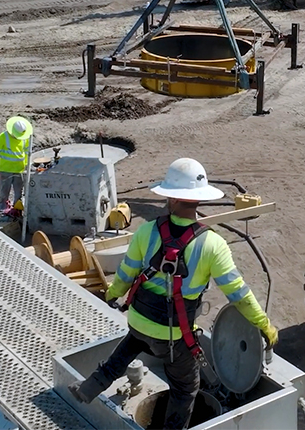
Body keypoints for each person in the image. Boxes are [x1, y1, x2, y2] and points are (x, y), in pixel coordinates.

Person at [68, 157, 279, 429]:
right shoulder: (213, 244)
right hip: (174, 335)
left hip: (139, 320)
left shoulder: (146, 232)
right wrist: (264, 325)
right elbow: (238, 294)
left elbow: (125, 274)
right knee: (185, 388)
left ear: (169, 197)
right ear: (199, 200)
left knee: (124, 352)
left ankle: (88, 389)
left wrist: (112, 294)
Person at [0, 116, 32, 212]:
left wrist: (26, 166)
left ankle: (17, 211)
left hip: (19, 170)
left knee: (19, 194)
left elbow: (26, 152)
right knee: (4, 194)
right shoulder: (3, 137)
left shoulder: (24, 138)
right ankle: (1, 211)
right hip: (6, 170)